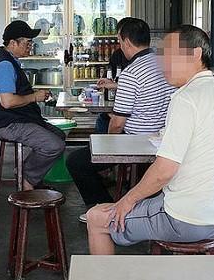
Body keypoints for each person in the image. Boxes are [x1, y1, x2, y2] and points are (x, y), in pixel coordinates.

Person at [86, 25, 214, 255]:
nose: (163, 63)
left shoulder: (186, 98)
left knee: (96, 218)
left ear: (195, 54)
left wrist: (127, 200)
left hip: (186, 218)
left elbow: (164, 171)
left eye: (170, 55)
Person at [66, 17, 175, 218]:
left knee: (76, 161)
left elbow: (117, 123)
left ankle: (103, 208)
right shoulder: (164, 65)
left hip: (136, 141)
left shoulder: (131, 73)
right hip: (164, 138)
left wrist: (106, 147)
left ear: (125, 42)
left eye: (119, 40)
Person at [0, 20, 66, 190]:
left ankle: (25, 172)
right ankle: (26, 179)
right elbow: (8, 102)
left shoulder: (7, 58)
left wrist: (32, 94)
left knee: (59, 135)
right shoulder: (4, 64)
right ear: (13, 43)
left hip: (20, 118)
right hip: (10, 123)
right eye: (27, 43)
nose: (31, 47)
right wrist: (34, 97)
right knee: (55, 145)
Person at [93, 46, 129, 134]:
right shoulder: (150, 63)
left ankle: (101, 146)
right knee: (103, 118)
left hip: (129, 127)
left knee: (103, 120)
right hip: (121, 111)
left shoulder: (133, 70)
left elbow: (118, 124)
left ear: (127, 41)